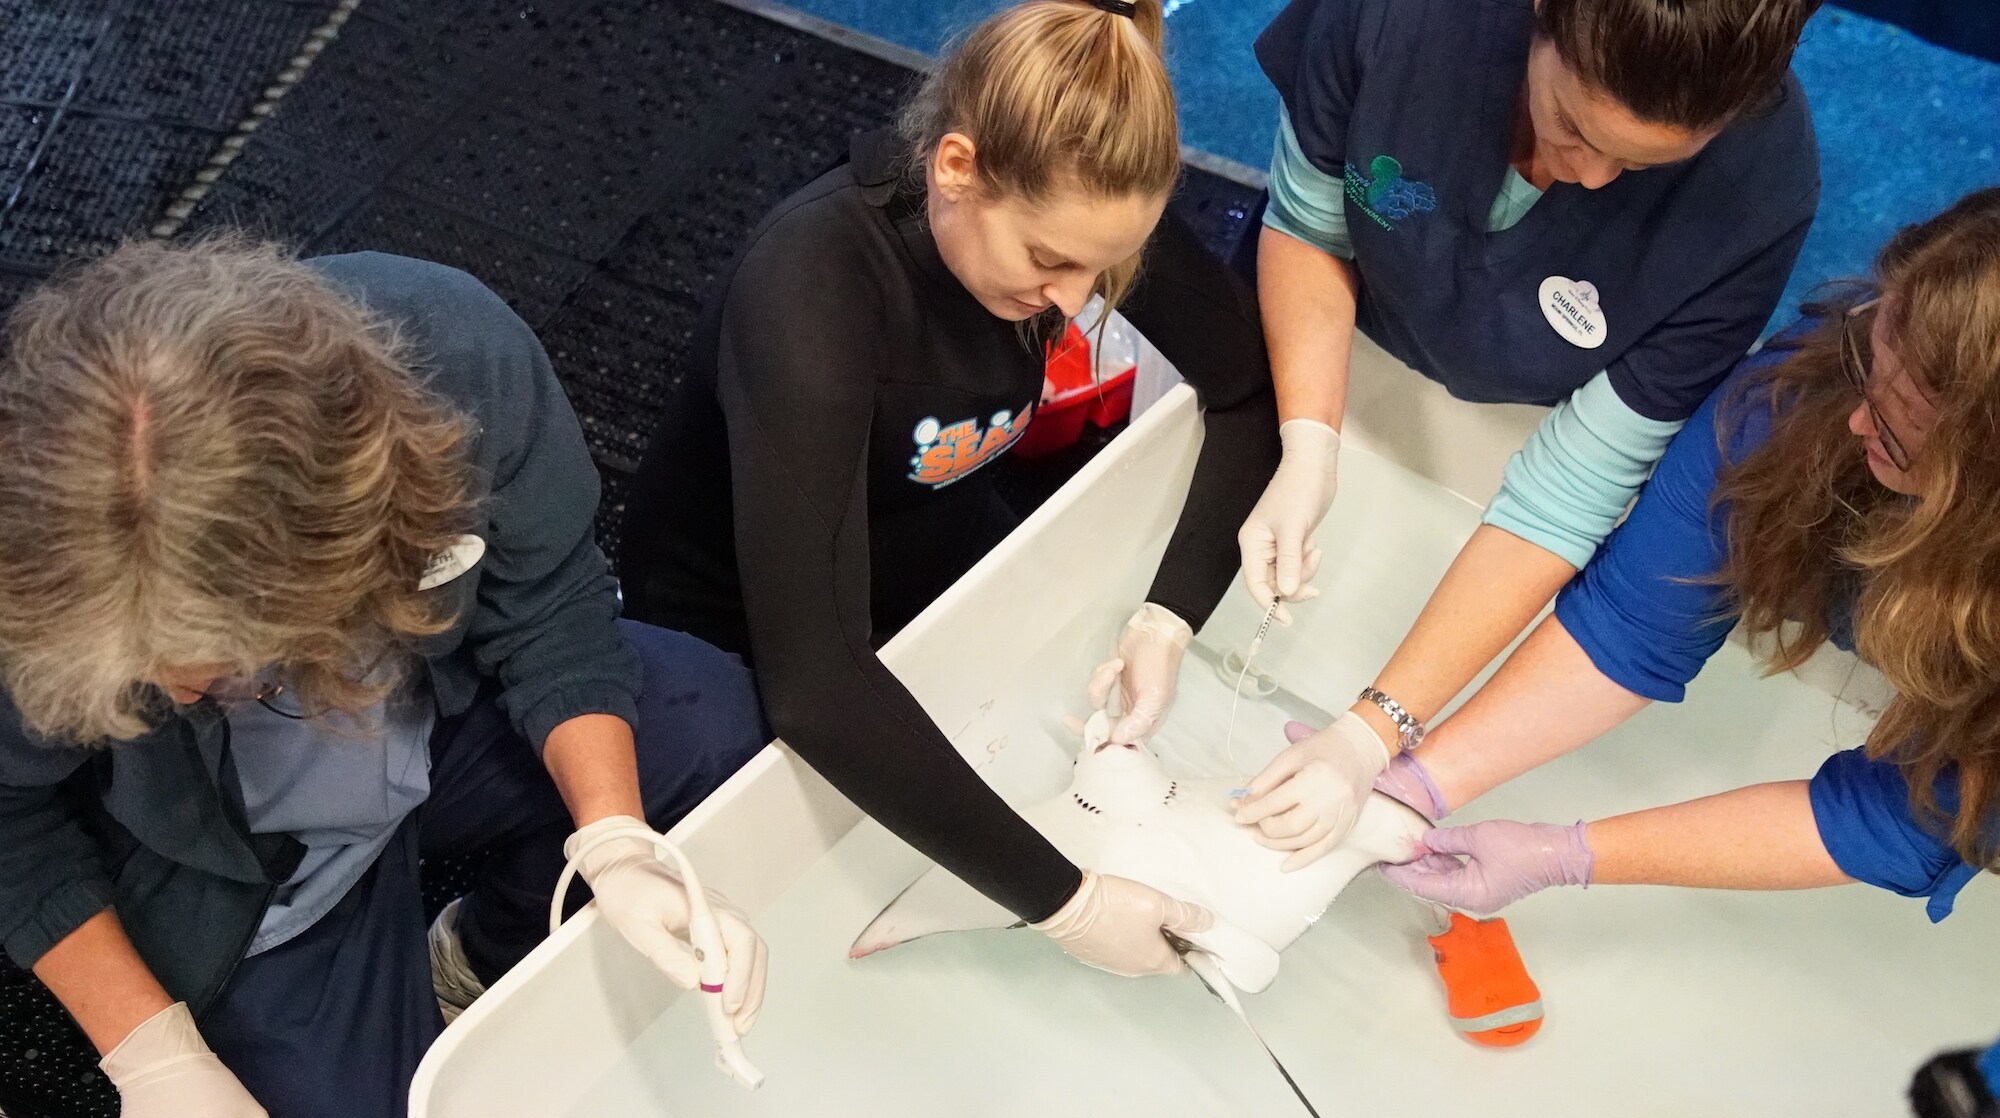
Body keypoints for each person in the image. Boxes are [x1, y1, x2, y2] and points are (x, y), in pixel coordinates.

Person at [0, 240, 772, 1118]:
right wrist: (152, 1053)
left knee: (710, 726)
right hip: (229, 856)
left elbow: (554, 605)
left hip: (430, 710)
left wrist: (618, 840)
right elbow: (8, 818)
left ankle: (480, 957)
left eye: (213, 661)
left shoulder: (456, 355)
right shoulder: (34, 552)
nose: (178, 691)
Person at [617, 0, 1278, 975]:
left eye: (1100, 270)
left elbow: (1246, 394)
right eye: (1049, 262)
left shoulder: (1078, 216)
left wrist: (1168, 614)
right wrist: (1069, 904)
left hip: (936, 552)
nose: (1070, 300)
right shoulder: (813, 290)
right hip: (742, 634)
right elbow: (817, 685)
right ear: (956, 168)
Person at [1233, 0, 1826, 864]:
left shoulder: (1759, 194)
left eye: (1643, 166)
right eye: (1575, 127)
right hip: (1338, 334)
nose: (1591, 179)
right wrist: (1309, 442)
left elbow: (1566, 494)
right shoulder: (1403, 20)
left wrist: (1374, 731)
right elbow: (1310, 221)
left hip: (1526, 397)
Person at [1358, 188, 2000, 922]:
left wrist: (1571, 854)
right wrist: (1413, 781)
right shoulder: (1826, 378)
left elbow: (1904, 816)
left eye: (1895, 427)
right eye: (1871, 363)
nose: (1857, 417)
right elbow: (1640, 615)